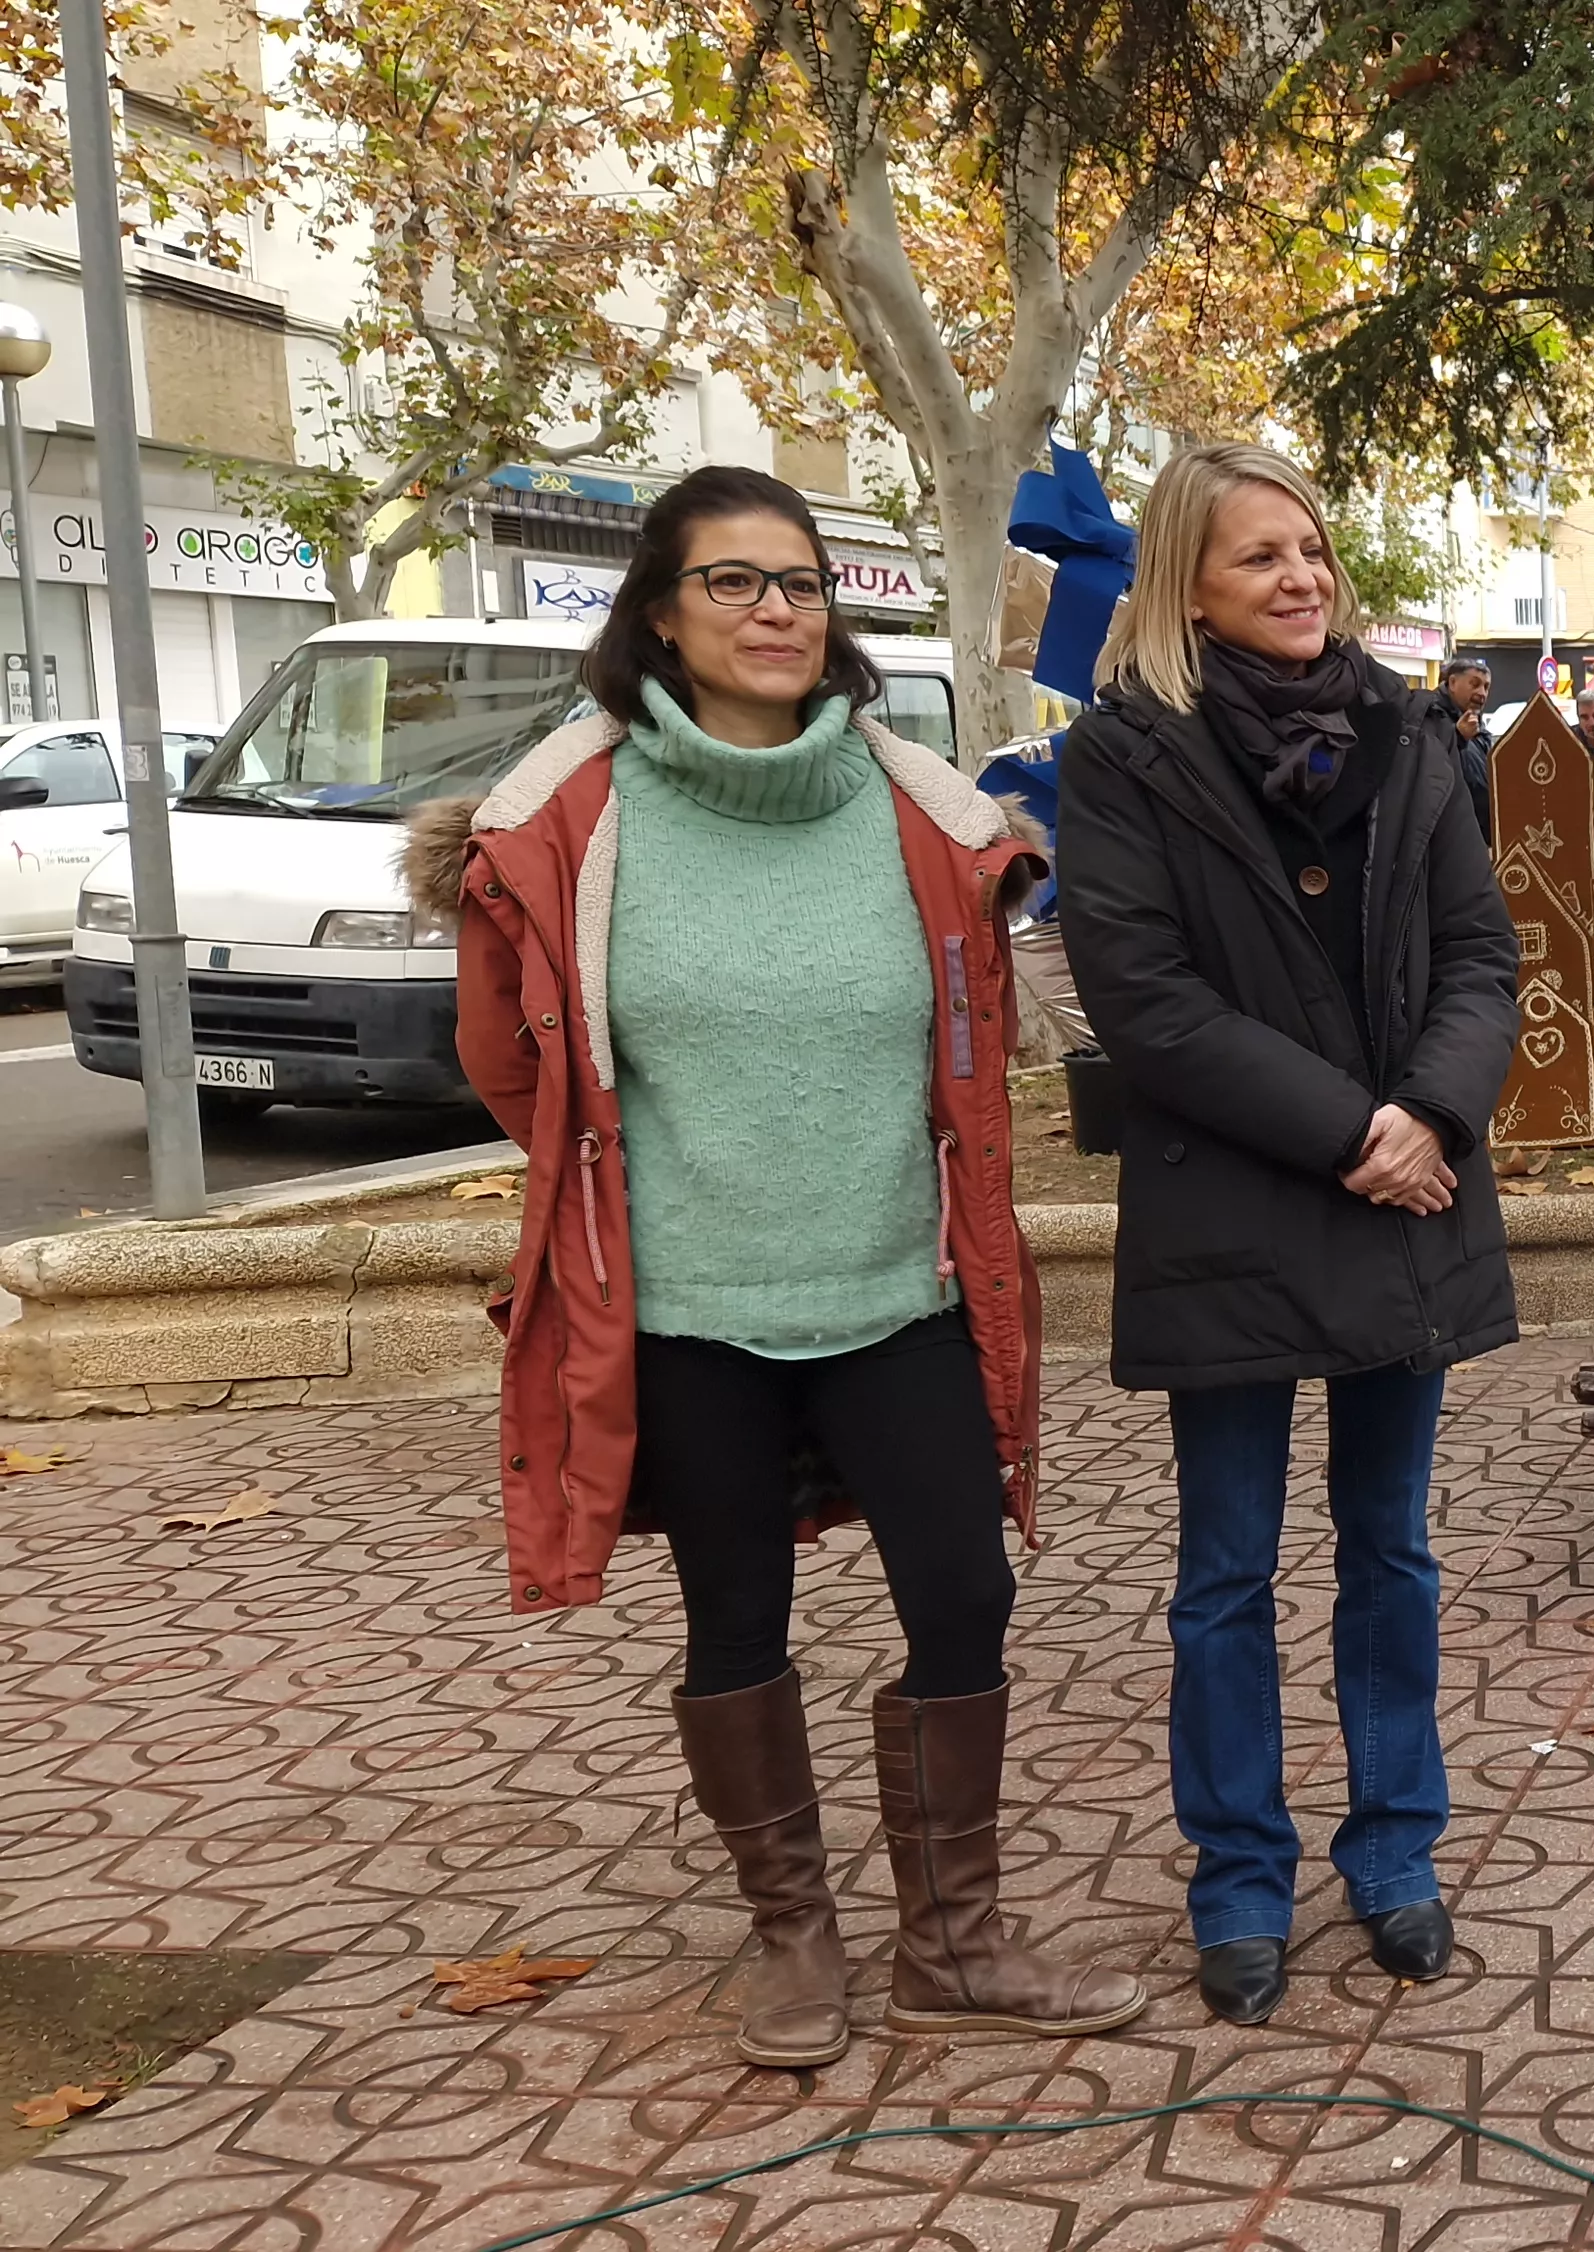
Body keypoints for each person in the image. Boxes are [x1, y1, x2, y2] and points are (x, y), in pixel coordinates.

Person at [409, 464, 1142, 2068]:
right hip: (686, 1307)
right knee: (734, 1612)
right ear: (659, 616)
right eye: (732, 582)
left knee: (965, 1592)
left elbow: (975, 1043)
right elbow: (514, 1063)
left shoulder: (917, 808)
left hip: (898, 1284)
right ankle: (794, 1938)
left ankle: (953, 1943)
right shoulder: (567, 818)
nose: (775, 611)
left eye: (800, 583)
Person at [1056, 443, 1521, 2027]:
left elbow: (1480, 954)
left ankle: (1395, 1855)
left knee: (1391, 1549)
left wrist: (1431, 1116)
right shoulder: (1127, 758)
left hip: (1408, 1195)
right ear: (1187, 585)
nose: (1303, 578)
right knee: (1226, 1570)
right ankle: (1241, 1880)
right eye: (1261, 557)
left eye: (1312, 550)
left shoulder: (1405, 732)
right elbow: (1147, 1000)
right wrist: (1353, 1135)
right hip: (1242, 1202)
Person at [1431, 655, 1495, 837]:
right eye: (1474, 684)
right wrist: (1457, 737)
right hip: (1451, 833)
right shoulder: (1431, 714)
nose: (1482, 693)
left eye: (1486, 687)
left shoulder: (1477, 724)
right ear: (1452, 683)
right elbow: (1430, 763)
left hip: (1478, 832)